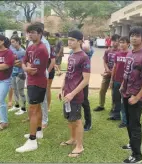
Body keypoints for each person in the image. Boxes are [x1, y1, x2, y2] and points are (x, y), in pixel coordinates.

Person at [120, 27, 142, 163]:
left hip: (136, 96)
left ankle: (137, 155)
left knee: (134, 125)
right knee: (128, 122)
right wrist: (123, 84)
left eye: (137, 36)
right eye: (132, 35)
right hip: (126, 93)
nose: (133, 38)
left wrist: (138, 97)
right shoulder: (130, 53)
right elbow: (127, 72)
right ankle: (132, 144)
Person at [16, 23, 49, 153]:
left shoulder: (41, 49)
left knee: (33, 110)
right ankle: (39, 131)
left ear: (40, 33)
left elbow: (33, 71)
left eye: (33, 32)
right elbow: (24, 61)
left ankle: (32, 140)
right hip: (32, 82)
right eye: (29, 32)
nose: (30, 34)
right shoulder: (30, 46)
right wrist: (25, 67)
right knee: (38, 108)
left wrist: (26, 68)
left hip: (37, 83)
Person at [58, 30, 90, 158]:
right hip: (67, 93)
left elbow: (86, 80)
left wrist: (72, 93)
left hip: (75, 95)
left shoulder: (84, 57)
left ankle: (79, 146)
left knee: (76, 120)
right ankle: (72, 138)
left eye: (72, 40)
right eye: (68, 39)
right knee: (69, 119)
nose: (69, 42)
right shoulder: (71, 55)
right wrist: (62, 88)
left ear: (80, 41)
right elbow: (69, 73)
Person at [93, 35, 118, 116]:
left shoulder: (121, 52)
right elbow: (105, 61)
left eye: (116, 41)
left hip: (116, 75)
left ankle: (113, 108)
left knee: (114, 92)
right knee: (102, 90)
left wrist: (112, 72)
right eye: (113, 41)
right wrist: (107, 69)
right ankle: (101, 105)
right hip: (107, 73)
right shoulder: (108, 51)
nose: (114, 42)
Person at [110, 36, 130, 128]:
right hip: (116, 80)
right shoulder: (117, 54)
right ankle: (116, 115)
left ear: (128, 44)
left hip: (125, 82)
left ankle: (125, 121)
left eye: (123, 42)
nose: (121, 44)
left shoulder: (130, 54)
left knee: (124, 101)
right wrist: (111, 79)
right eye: (120, 42)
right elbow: (114, 67)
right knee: (116, 99)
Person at [8, 37, 27, 115]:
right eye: (11, 42)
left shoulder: (23, 52)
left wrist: (14, 62)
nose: (12, 43)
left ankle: (23, 108)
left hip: (21, 73)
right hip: (13, 73)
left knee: (20, 91)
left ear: (18, 42)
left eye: (13, 42)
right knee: (14, 89)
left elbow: (21, 63)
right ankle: (16, 105)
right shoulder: (12, 50)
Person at [47, 45, 56, 113]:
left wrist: (47, 72)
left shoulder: (49, 47)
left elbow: (53, 61)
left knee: (47, 88)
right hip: (40, 70)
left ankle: (48, 106)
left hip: (49, 71)